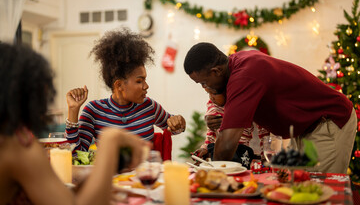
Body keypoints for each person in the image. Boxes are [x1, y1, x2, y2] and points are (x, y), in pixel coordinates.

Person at [0, 42, 149, 205]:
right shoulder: (19, 146)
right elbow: (76, 152)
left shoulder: (11, 141)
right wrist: (110, 140)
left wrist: (83, 189)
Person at [184, 42, 357, 174]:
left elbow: (228, 144)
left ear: (216, 71)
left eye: (203, 82)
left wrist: (210, 175)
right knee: (301, 189)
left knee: (319, 191)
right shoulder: (237, 65)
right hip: (306, 128)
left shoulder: (244, 76)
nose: (204, 87)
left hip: (328, 122)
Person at [66, 28, 186, 152]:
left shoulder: (149, 106)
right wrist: (73, 111)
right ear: (119, 85)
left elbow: (174, 128)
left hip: (144, 171)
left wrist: (179, 122)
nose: (146, 86)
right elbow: (76, 154)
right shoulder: (94, 111)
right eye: (139, 81)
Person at [193, 90, 270, 169]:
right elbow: (211, 131)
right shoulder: (213, 104)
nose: (211, 97)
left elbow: (264, 133)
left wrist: (265, 156)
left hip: (243, 153)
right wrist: (205, 148)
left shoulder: (245, 101)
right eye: (208, 93)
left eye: (214, 93)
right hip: (221, 155)